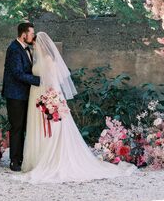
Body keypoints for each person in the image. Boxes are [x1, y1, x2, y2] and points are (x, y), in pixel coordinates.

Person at [20, 31, 137, 183]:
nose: (34, 47)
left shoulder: (48, 59)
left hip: (47, 95)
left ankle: (52, 159)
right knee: (39, 128)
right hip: (36, 95)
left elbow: (51, 80)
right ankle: (38, 158)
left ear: (41, 44)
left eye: (35, 44)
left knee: (54, 128)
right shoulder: (37, 59)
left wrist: (50, 99)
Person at [2, 22, 40, 171]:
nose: (33, 36)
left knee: (24, 127)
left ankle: (23, 158)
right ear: (23, 34)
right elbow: (18, 74)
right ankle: (14, 161)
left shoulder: (27, 49)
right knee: (17, 127)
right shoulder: (14, 49)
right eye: (31, 33)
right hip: (15, 95)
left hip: (25, 94)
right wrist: (38, 81)